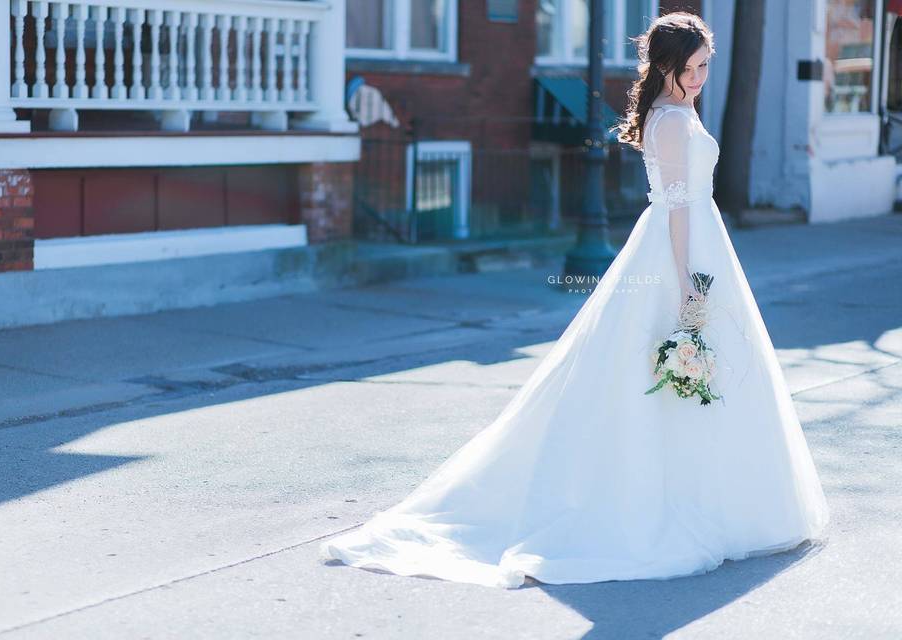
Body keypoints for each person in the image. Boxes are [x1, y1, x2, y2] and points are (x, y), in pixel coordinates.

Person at [318, 11, 830, 589]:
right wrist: (688, 281)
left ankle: (720, 498)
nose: (701, 78)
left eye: (706, 66)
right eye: (692, 69)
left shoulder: (679, 111)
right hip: (679, 248)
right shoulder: (669, 121)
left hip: (698, 240)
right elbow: (679, 207)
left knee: (703, 372)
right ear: (665, 67)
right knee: (662, 364)